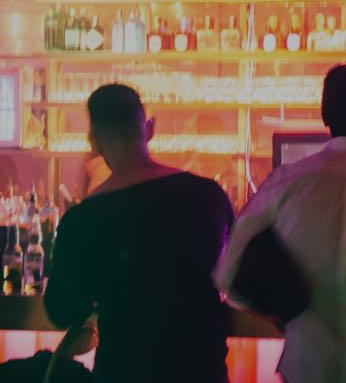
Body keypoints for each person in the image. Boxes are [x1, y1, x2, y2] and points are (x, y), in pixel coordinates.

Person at [215, 62, 346, 383]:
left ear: (325, 115)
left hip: (307, 367)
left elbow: (228, 276)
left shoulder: (286, 182)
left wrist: (286, 311)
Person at [45, 84, 234, 383]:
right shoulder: (208, 195)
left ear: (94, 142)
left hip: (124, 371)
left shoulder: (81, 220)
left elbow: (61, 310)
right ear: (150, 129)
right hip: (201, 371)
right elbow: (235, 276)